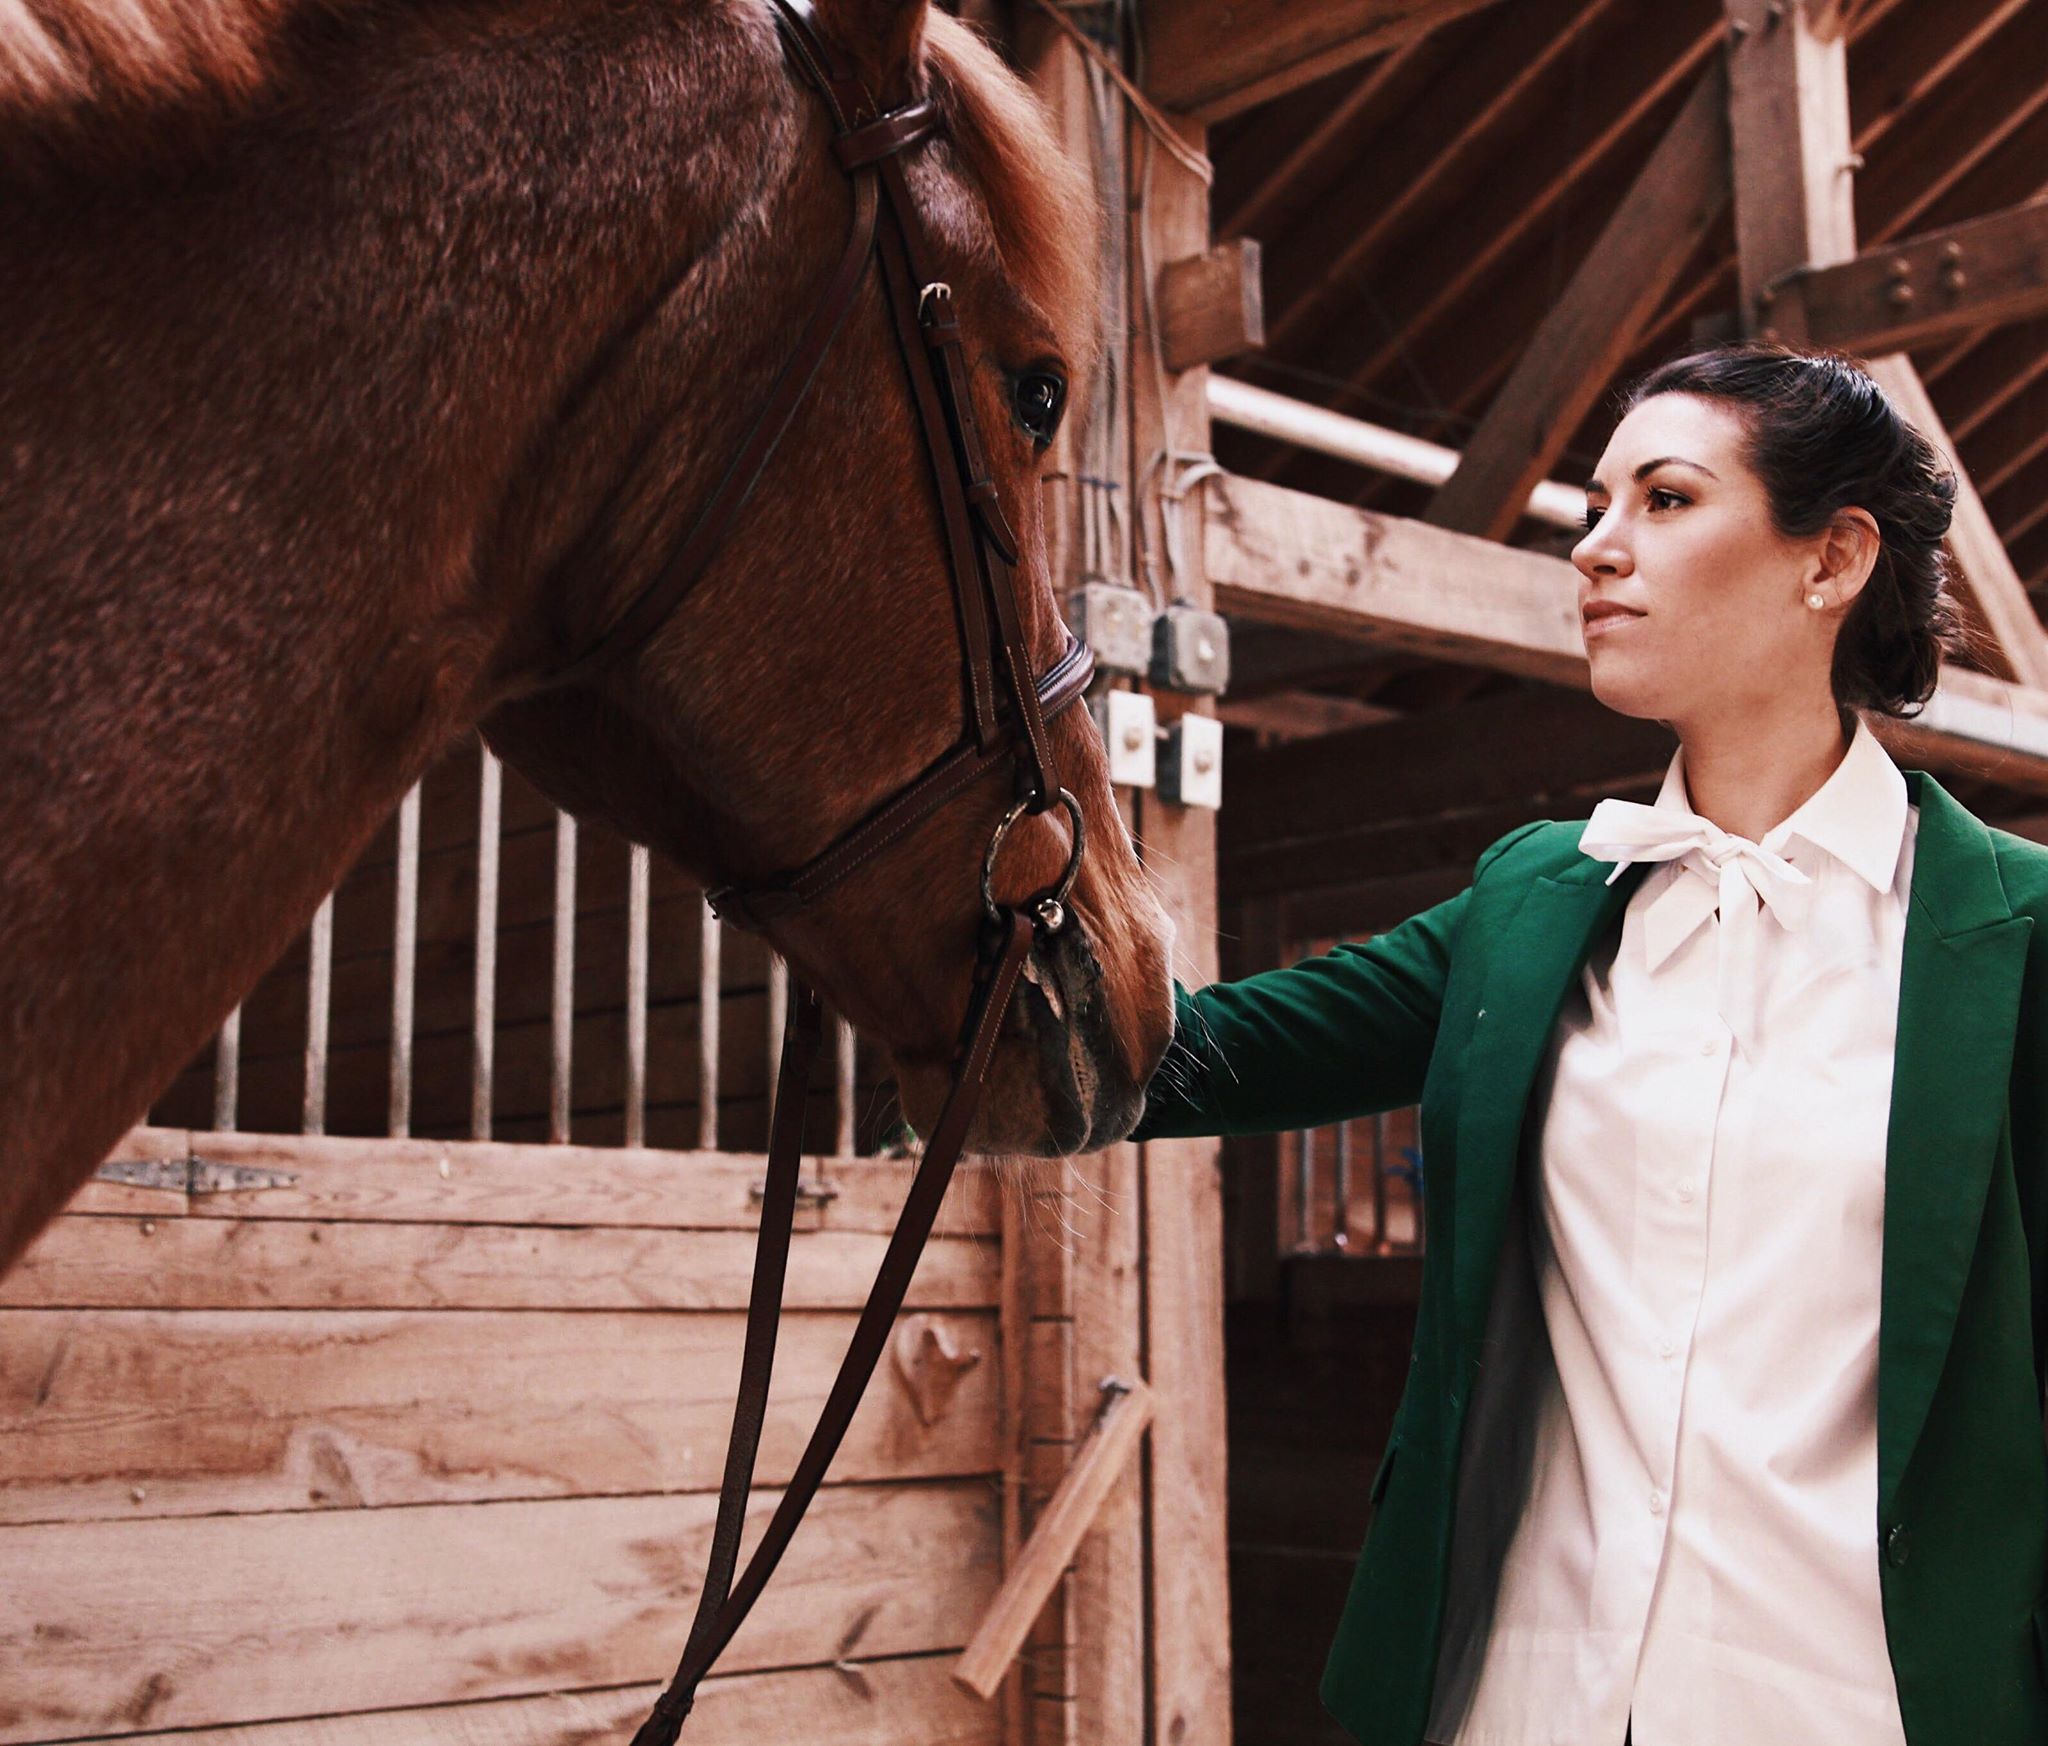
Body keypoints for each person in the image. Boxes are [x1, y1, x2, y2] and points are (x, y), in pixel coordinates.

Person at [1130, 343, 2048, 1746]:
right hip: (1532, 1697)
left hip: (1865, 1705)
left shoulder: (2021, 934)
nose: (1597, 549)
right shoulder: (1531, 900)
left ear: (1832, 559)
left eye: (1666, 500)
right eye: (1596, 507)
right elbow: (1183, 1056)